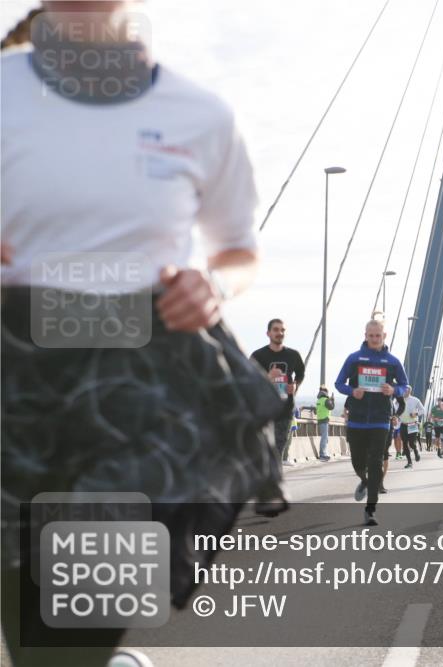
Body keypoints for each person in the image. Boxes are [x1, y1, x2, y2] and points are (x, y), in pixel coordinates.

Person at [1, 4, 286, 665]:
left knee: (77, 619)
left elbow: (239, 249)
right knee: (32, 627)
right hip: (15, 375)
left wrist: (213, 285)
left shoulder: (201, 116)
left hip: (142, 380)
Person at [334, 319, 409, 526]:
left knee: (376, 462)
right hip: (357, 419)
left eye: (378, 335)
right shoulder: (354, 358)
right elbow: (339, 383)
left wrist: (394, 390)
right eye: (371, 335)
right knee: (358, 462)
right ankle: (365, 481)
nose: (375, 339)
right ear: (365, 335)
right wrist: (352, 391)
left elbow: (405, 386)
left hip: (380, 420)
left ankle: (371, 509)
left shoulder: (393, 362)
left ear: (384, 336)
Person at [250, 318, 306, 465]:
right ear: (268, 333)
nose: (279, 333)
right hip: (263, 412)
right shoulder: (258, 356)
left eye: (282, 330)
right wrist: (268, 377)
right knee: (261, 454)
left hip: (285, 410)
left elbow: (300, 373)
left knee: (276, 454)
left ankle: (273, 485)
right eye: (276, 330)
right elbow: (248, 379)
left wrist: (295, 385)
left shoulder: (293, 355)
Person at [400, 387, 425, 469]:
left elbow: (423, 410)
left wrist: (416, 414)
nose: (404, 391)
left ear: (409, 391)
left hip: (412, 424)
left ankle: (415, 451)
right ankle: (409, 462)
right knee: (404, 443)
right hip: (403, 424)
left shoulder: (415, 400)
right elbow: (394, 409)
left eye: (406, 390)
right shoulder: (399, 400)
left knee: (411, 443)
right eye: (403, 390)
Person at [316, 386, 335, 461]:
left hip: (320, 420)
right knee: (324, 437)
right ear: (326, 392)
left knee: (325, 437)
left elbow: (316, 410)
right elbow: (331, 407)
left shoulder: (319, 400)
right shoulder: (326, 400)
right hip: (324, 420)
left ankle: (324, 453)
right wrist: (332, 400)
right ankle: (322, 454)